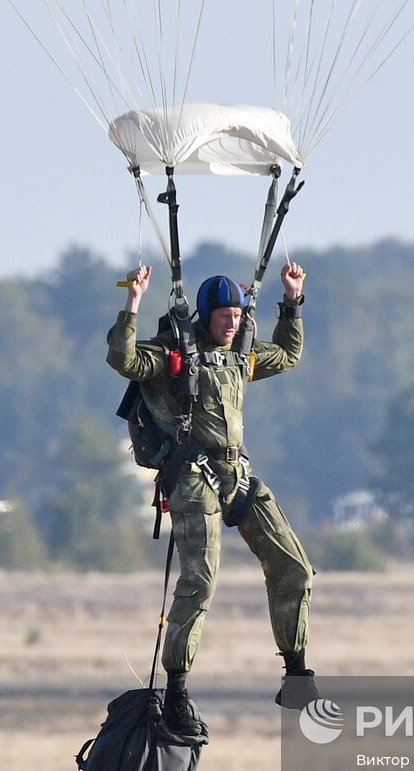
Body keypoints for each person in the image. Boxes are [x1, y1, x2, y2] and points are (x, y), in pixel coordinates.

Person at [107, 261, 318, 735]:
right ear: (206, 314)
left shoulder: (241, 354)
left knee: (295, 568)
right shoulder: (176, 353)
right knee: (200, 580)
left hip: (236, 473)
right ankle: (177, 690)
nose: (233, 322)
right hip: (191, 477)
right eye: (224, 314)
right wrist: (133, 303)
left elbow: (287, 355)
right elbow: (125, 360)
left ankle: (297, 672)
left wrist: (293, 300)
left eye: (238, 315)